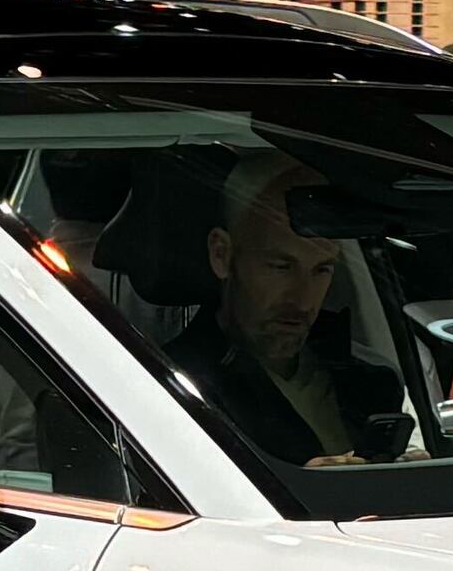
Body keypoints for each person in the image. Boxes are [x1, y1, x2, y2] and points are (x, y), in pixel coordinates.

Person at [165, 153, 405, 464]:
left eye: (322, 270)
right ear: (221, 254)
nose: (303, 299)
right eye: (281, 267)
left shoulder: (373, 382)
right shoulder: (176, 387)